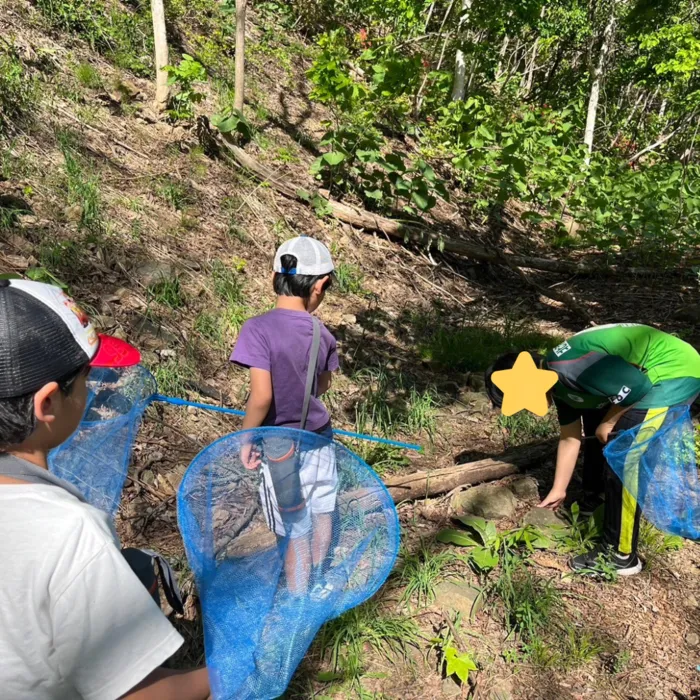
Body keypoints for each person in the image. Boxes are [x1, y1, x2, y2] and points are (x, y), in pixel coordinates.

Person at [0, 278, 210, 700]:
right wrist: (226, 669)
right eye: (83, 381)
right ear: (46, 404)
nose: (90, 390)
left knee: (133, 566)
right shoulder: (69, 532)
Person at [485, 323, 700, 576]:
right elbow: (570, 438)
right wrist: (559, 489)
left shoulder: (568, 369)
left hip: (672, 372)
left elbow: (635, 387)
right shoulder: (558, 384)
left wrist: (609, 422)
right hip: (651, 376)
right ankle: (596, 497)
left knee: (625, 459)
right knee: (604, 430)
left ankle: (620, 555)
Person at [231, 235, 340, 596]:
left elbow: (262, 396)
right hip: (319, 439)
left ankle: (297, 596)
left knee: (294, 522)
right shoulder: (322, 333)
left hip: (279, 446)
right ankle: (318, 579)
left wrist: (245, 438)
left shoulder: (257, 329)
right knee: (323, 509)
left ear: (273, 277)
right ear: (320, 285)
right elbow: (321, 386)